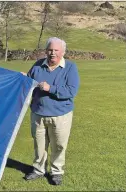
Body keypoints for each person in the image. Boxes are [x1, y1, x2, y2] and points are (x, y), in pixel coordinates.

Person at [22, 37, 80, 185]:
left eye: (56, 50)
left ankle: (56, 171)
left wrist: (50, 89)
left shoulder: (70, 67)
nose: (52, 53)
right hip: (38, 113)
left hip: (61, 115)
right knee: (39, 144)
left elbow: (71, 91)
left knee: (59, 145)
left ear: (63, 52)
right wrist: (23, 78)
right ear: (46, 51)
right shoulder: (38, 65)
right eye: (50, 50)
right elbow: (29, 82)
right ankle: (38, 170)